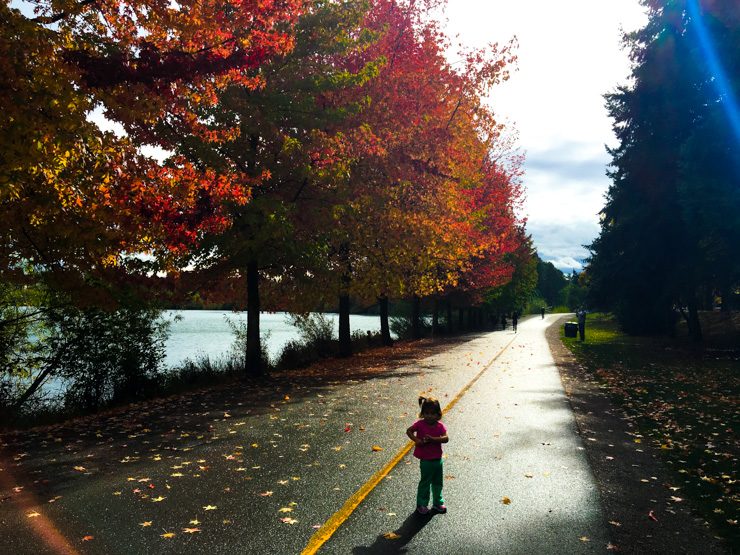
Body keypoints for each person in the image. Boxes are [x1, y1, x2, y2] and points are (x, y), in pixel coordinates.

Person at [406, 396, 449, 515]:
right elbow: (409, 431)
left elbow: (446, 438)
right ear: (423, 413)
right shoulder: (420, 424)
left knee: (437, 482)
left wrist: (433, 439)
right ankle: (422, 504)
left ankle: (437, 503)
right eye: (427, 413)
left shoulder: (440, 426)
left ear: (438, 414)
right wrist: (416, 440)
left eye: (432, 413)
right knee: (425, 482)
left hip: (437, 459)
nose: (429, 416)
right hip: (425, 460)